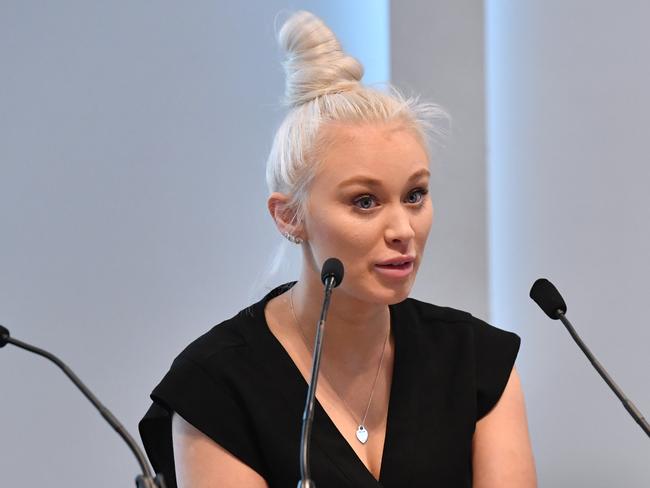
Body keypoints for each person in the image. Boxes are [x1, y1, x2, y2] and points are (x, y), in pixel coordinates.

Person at [139, 10, 536, 488]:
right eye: (364, 202)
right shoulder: (218, 387)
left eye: (415, 195)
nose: (403, 229)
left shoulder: (475, 361)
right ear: (290, 216)